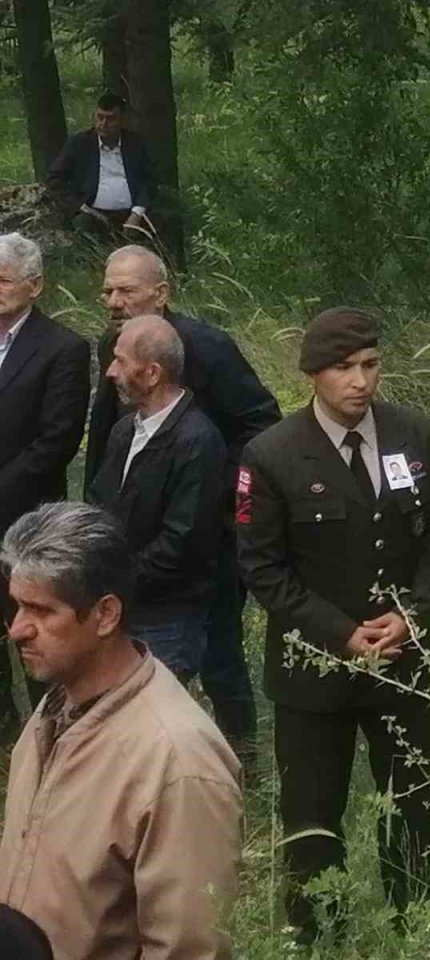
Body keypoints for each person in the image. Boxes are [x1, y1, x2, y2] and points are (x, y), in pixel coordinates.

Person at [237, 307, 430, 942]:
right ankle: (319, 936)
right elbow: (263, 568)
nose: (359, 381)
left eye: (369, 365)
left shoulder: (413, 432)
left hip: (404, 658)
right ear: (313, 373)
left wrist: (414, 613)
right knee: (313, 815)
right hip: (316, 669)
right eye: (343, 368)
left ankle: (414, 924)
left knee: (413, 802)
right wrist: (339, 632)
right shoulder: (273, 453)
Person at [0, 501, 242, 960]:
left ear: (105, 614)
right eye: (15, 606)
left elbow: (188, 951)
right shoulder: (54, 710)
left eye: (40, 610)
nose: (17, 630)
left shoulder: (177, 761)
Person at [88, 244, 281, 763]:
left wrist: (219, 497)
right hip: (134, 528)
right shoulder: (115, 346)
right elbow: (107, 431)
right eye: (107, 290)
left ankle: (241, 759)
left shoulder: (207, 348)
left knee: (220, 653)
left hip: (206, 535)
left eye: (126, 290)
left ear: (161, 292)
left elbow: (262, 427)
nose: (113, 300)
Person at [86, 315, 227, 685]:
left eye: (120, 361)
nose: (111, 372)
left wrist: (116, 577)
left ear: (152, 373)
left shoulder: (197, 441)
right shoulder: (124, 430)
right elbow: (100, 503)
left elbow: (182, 542)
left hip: (168, 620)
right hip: (122, 608)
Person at [0, 233, 91, 735]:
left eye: (5, 280)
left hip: (26, 522)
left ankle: (51, 730)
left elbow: (54, 443)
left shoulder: (63, 349)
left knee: (35, 631)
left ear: (34, 285)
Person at [45, 92, 156, 239]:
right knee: (83, 225)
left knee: (166, 221)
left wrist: (136, 214)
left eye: (111, 119)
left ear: (123, 120)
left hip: (132, 213)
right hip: (93, 214)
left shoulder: (136, 144)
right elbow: (54, 179)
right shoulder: (79, 144)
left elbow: (149, 180)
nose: (103, 124)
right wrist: (80, 206)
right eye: (100, 117)